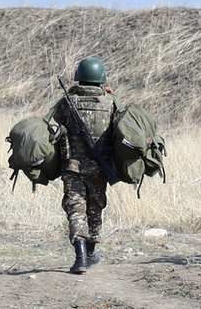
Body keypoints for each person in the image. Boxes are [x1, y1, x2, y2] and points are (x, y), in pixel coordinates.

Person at [53, 57, 118, 274]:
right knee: (95, 208)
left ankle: (80, 258)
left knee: (75, 209)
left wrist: (71, 94)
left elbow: (56, 123)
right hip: (100, 167)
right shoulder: (111, 101)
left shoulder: (68, 101)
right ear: (101, 78)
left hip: (72, 167)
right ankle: (90, 254)